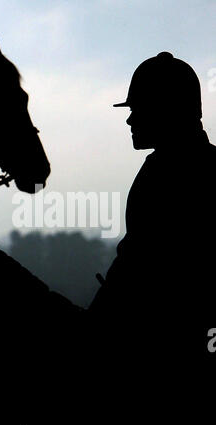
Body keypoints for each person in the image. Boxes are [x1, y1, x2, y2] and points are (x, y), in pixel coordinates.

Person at [89, 52, 216, 364]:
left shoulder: (162, 174)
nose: (130, 119)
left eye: (138, 109)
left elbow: (135, 265)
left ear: (165, 109)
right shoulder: (202, 165)